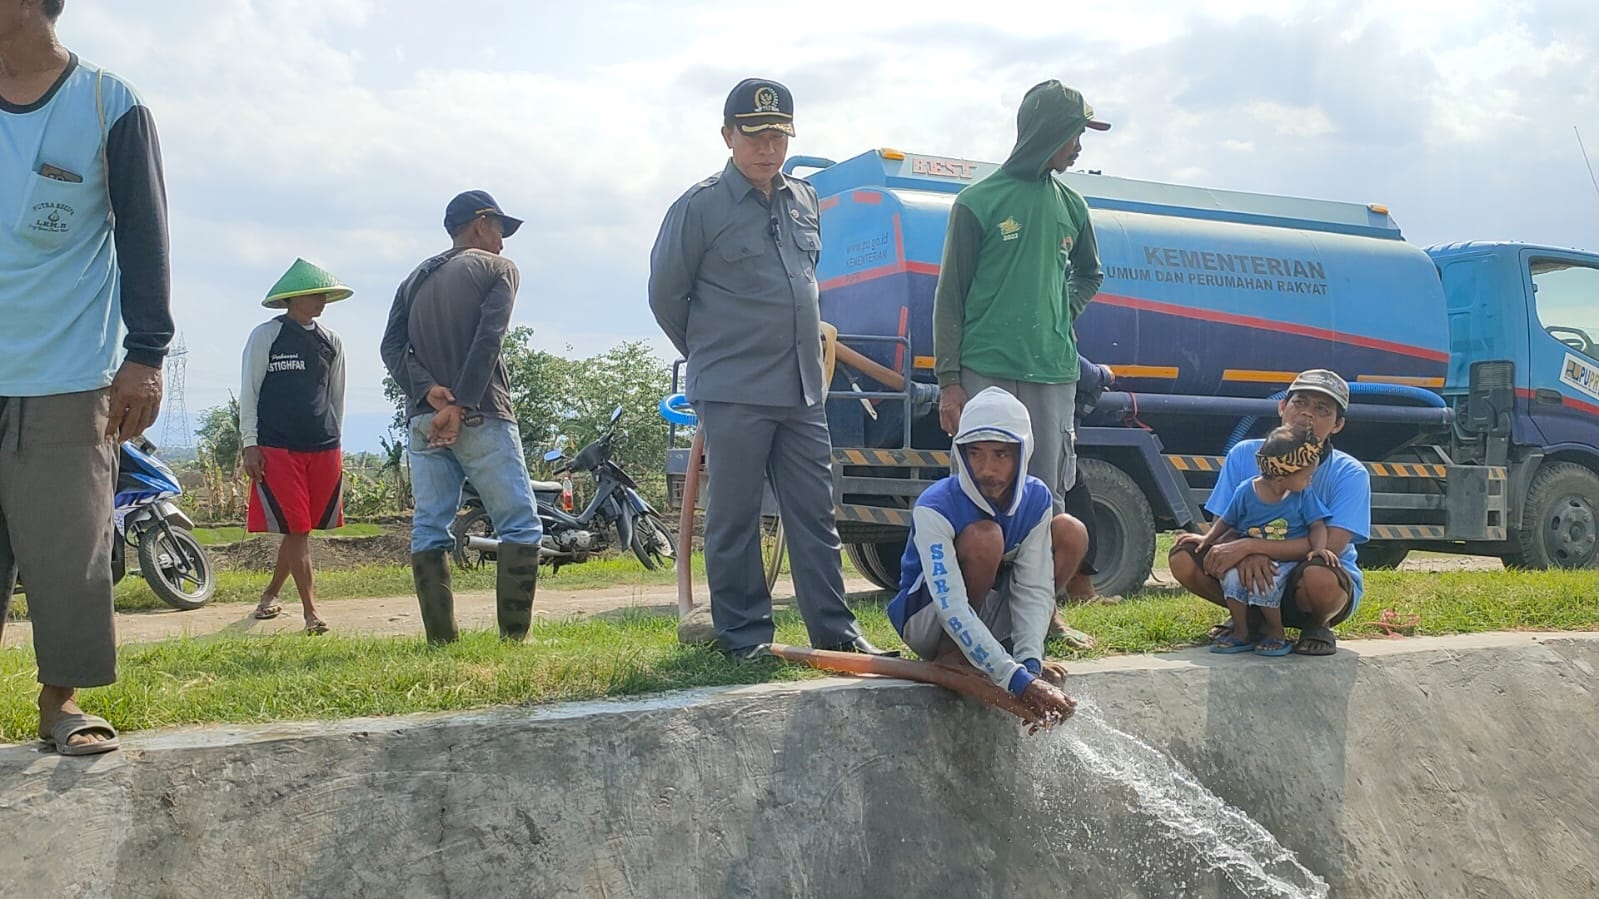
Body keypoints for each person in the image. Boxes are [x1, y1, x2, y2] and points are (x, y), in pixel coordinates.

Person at [648, 77, 887, 661]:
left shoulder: (804, 200)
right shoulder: (699, 207)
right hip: (733, 390)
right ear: (728, 136)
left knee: (815, 515)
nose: (768, 147)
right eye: (754, 135)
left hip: (803, 389)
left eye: (779, 135)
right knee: (735, 518)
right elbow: (664, 295)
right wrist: (714, 355)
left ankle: (835, 631)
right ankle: (745, 637)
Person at [0, 0, 172, 755]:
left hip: (67, 371)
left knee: (69, 545)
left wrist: (148, 354)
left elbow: (144, 235)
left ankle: (60, 701)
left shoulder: (110, 103)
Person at [934, 80, 1109, 514]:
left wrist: (1062, 309)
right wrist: (949, 382)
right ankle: (981, 585)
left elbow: (1090, 273)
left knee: (1048, 496)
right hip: (984, 369)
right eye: (1074, 134)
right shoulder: (977, 202)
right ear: (1047, 131)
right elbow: (949, 295)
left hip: (1053, 371)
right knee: (979, 492)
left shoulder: (1072, 205)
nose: (1079, 147)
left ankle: (1041, 585)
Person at [380, 191, 542, 645]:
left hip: (422, 419)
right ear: (480, 223)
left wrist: (428, 390)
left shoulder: (414, 277)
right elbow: (488, 339)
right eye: (499, 231)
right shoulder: (498, 270)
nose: (503, 243)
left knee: (430, 524)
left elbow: (391, 348)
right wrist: (461, 404)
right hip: (481, 414)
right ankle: (514, 638)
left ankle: (441, 641)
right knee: (519, 522)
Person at [887, 387, 1084, 722]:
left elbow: (1033, 588)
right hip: (929, 619)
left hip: (984, 614)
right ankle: (952, 653)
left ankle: (996, 653)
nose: (986, 469)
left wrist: (1030, 665)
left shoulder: (1036, 498)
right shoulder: (935, 506)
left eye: (1000, 455)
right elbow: (951, 606)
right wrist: (1018, 682)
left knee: (1071, 531)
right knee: (986, 538)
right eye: (975, 453)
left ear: (1022, 453)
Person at [1170, 370, 1369, 655]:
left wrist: (1253, 548)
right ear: (1282, 407)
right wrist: (1242, 553)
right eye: (1299, 403)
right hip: (1248, 569)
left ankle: (1317, 625)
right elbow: (1225, 526)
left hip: (1307, 575)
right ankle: (1250, 621)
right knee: (1183, 557)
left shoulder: (1349, 473)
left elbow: (1329, 546)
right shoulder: (1243, 454)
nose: (1307, 414)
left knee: (1322, 577)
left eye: (1322, 409)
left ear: (1338, 425)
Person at [240, 259, 351, 635]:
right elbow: (249, 393)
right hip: (276, 447)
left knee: (299, 530)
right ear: (293, 298)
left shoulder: (331, 341)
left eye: (323, 295)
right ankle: (311, 613)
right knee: (298, 529)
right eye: (313, 294)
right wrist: (249, 444)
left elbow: (337, 398)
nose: (320, 301)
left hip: (322, 445)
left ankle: (270, 594)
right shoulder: (266, 336)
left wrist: (338, 442)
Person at [1193, 426, 1339, 657]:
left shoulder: (1302, 495)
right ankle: (1242, 631)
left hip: (1283, 560)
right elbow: (1226, 521)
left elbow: (1317, 525)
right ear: (1281, 478)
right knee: (1231, 581)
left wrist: (1319, 549)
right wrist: (1207, 538)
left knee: (1266, 585)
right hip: (1247, 560)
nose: (1310, 482)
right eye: (1306, 476)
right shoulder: (1245, 491)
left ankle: (1275, 632)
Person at [1061, 353, 1114, 601]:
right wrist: (1103, 373)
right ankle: (1080, 590)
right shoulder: (1049, 335)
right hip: (1052, 444)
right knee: (1077, 508)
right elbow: (1086, 372)